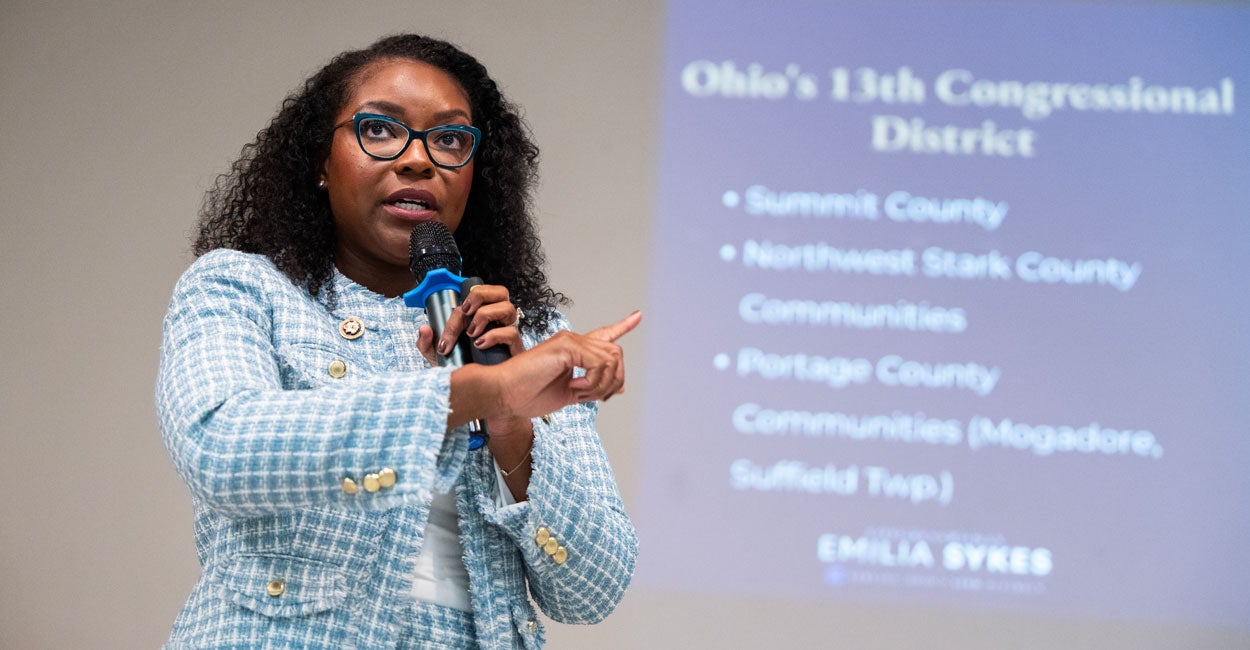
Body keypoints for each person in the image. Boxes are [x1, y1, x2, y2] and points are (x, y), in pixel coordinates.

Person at [156, 34, 640, 649]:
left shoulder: (522, 337)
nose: (418, 160)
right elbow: (219, 450)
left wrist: (511, 423)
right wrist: (476, 391)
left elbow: (593, 590)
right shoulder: (242, 287)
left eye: (450, 139)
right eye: (380, 130)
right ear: (320, 160)